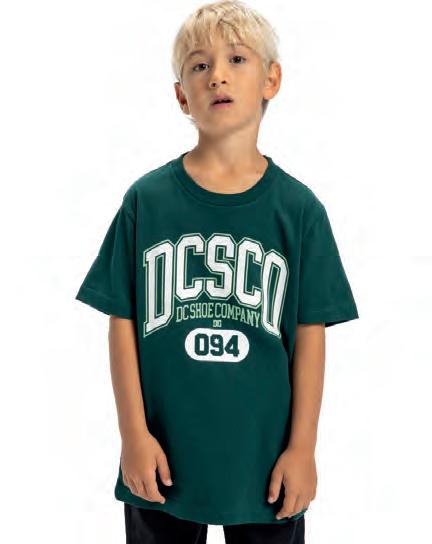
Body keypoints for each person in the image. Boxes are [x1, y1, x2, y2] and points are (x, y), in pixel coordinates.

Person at [75, 1, 359, 542]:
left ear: (271, 79)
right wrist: (133, 435)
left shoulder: (299, 210)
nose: (218, 75)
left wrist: (303, 449)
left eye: (237, 59)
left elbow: (310, 334)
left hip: (265, 464)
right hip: (162, 460)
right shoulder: (147, 202)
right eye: (200, 65)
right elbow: (121, 321)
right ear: (181, 95)